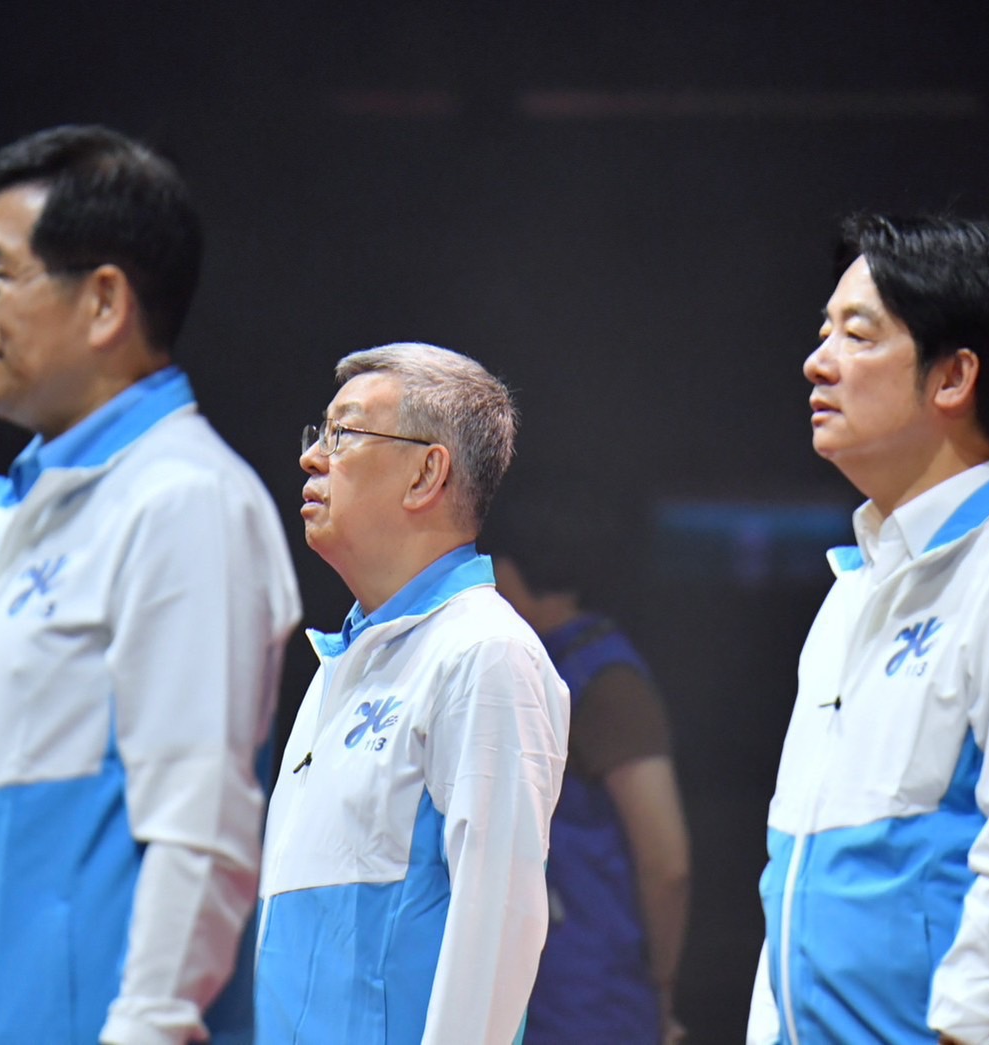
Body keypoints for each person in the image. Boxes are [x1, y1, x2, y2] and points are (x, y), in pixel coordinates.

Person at [0, 125, 301, 1045]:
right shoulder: (12, 521)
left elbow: (202, 821)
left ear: (105, 300)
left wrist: (149, 1024)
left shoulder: (184, 500)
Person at [748, 214, 989, 1044]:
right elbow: (791, 868)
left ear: (952, 377)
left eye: (857, 334)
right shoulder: (852, 588)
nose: (817, 361)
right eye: (823, 332)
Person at [256, 342, 570, 1043]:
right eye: (317, 433)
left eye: (343, 433)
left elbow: (497, 934)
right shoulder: (338, 663)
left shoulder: (485, 651)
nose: (312, 458)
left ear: (427, 472)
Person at [487, 496, 690, 1044]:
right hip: (538, 993)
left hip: (594, 1000)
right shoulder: (529, 665)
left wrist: (661, 986)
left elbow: (666, 861)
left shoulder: (607, 681)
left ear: (510, 571)